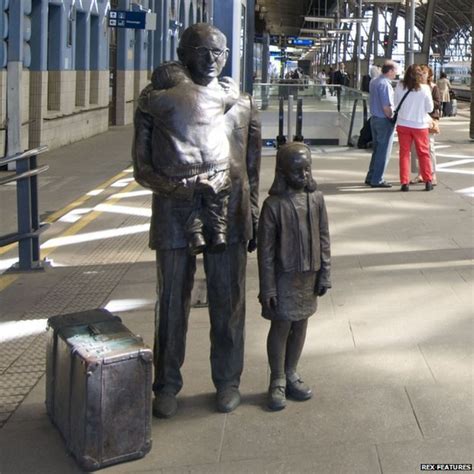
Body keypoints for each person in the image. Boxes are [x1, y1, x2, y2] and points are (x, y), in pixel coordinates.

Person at [132, 23, 261, 418]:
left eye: (219, 53)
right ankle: (167, 385)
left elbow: (251, 165)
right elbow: (141, 168)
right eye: (202, 52)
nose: (211, 61)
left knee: (230, 300)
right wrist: (181, 190)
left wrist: (252, 209)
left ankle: (228, 380)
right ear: (182, 52)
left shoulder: (242, 103)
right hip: (175, 212)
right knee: (171, 301)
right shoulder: (155, 101)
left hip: (230, 210)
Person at [257, 142, 331, 411]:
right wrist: (268, 288)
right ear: (283, 173)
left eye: (308, 169)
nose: (305, 176)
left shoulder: (316, 199)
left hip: (308, 276)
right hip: (283, 278)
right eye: (298, 171)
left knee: (300, 323)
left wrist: (325, 273)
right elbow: (264, 254)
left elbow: (324, 238)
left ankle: (291, 372)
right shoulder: (273, 206)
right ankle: (276, 378)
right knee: (281, 325)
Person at [137, 61, 238, 254]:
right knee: (217, 197)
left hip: (182, 168)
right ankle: (219, 231)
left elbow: (144, 101)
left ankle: (195, 234)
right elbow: (232, 95)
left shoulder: (163, 98)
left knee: (188, 203)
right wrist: (230, 83)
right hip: (216, 164)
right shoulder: (214, 94)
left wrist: (149, 90)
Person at [394, 64, 434, 192]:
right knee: (423, 153)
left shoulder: (400, 86)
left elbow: (395, 104)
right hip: (420, 125)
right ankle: (428, 181)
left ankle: (404, 183)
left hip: (403, 125)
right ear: (419, 76)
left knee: (404, 154)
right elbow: (430, 109)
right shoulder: (425, 88)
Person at [364, 60, 398, 188]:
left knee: (377, 150)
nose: (396, 74)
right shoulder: (384, 84)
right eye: (395, 71)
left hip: (374, 119)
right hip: (383, 120)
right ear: (390, 71)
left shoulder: (374, 81)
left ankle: (371, 176)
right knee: (383, 152)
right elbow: (386, 106)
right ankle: (377, 179)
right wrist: (392, 117)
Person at [410, 64, 441, 186]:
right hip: (415, 120)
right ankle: (420, 173)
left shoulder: (433, 88)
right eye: (420, 73)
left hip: (428, 121)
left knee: (429, 148)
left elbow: (437, 104)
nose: (422, 75)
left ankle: (432, 174)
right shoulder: (414, 88)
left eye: (424, 73)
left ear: (429, 75)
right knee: (415, 148)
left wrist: (424, 100)